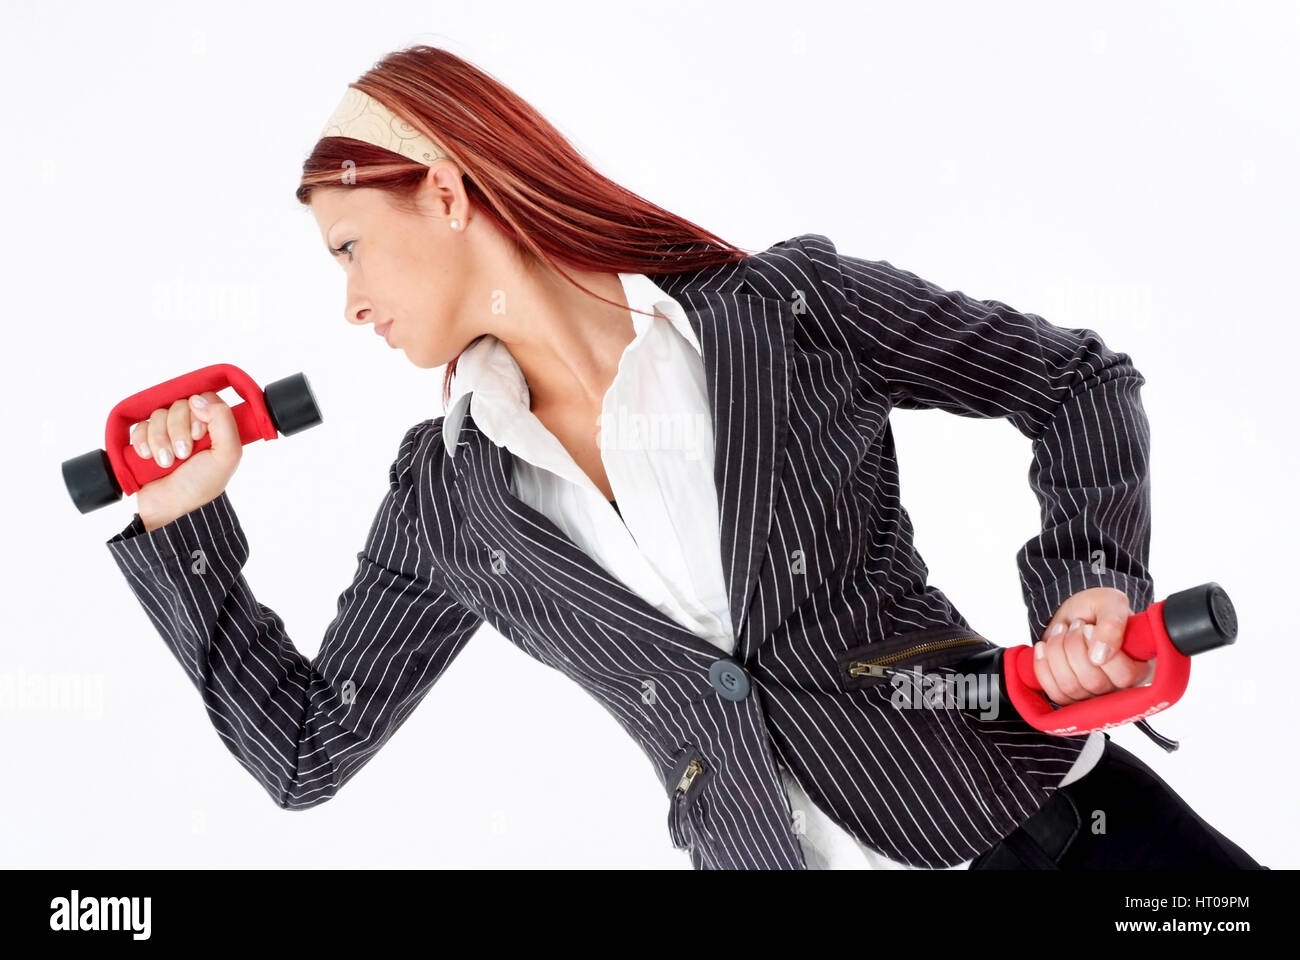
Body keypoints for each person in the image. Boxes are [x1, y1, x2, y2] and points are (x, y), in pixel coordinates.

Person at [105, 44, 1265, 870]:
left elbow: (1072, 383)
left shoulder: (785, 312)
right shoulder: (448, 499)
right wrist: (179, 527)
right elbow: (307, 749)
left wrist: (1088, 596)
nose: (352, 302)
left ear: (448, 193)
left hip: (1054, 843)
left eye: (352, 247)